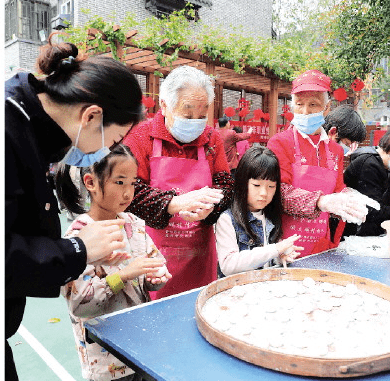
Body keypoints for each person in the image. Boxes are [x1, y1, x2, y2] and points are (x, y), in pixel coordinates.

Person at [5, 37, 144, 380]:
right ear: (92, 115)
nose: (104, 154)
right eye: (112, 142)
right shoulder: (8, 131)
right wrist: (78, 250)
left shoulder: (28, 129)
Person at [56, 145, 170, 381]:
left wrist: (155, 277)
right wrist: (124, 275)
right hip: (106, 361)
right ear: (91, 183)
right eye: (119, 182)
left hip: (140, 348)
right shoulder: (77, 238)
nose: (128, 193)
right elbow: (79, 304)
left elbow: (153, 262)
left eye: (132, 183)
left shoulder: (134, 223)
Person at [123, 65, 232, 299]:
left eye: (202, 115)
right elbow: (128, 194)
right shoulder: (141, 138)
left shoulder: (212, 139)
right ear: (164, 105)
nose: (196, 121)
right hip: (151, 254)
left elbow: (225, 186)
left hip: (199, 253)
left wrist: (211, 208)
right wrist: (175, 203)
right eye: (188, 114)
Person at [267, 70, 369, 258]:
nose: (305, 111)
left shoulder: (336, 150)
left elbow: (338, 188)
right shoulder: (280, 142)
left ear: (327, 107)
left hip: (321, 242)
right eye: (299, 105)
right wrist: (321, 201)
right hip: (285, 245)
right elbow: (279, 192)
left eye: (313, 105)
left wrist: (350, 200)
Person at [215, 146, 302, 276]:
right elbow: (228, 265)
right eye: (256, 185)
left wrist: (280, 255)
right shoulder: (227, 219)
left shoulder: (270, 215)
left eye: (271, 186)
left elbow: (268, 258)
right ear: (242, 183)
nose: (264, 193)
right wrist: (275, 249)